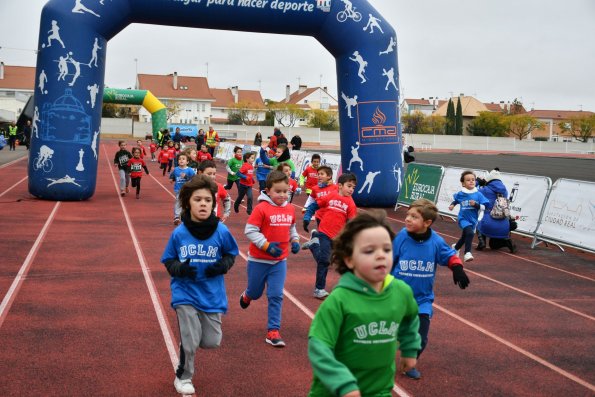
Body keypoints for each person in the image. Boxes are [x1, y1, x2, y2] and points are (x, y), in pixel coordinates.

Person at [308, 210, 421, 397]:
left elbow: (410, 318)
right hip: (334, 392)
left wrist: (410, 348)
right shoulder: (339, 300)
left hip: (379, 390)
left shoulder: (401, 292)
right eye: (370, 251)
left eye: (386, 249)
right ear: (349, 259)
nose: (380, 255)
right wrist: (343, 383)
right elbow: (318, 345)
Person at [161, 175, 239, 395]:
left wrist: (222, 265)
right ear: (188, 203)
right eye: (198, 199)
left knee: (211, 342)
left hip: (212, 294)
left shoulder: (221, 231)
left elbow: (232, 254)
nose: (203, 203)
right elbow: (168, 260)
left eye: (208, 199)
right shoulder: (179, 233)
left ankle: (188, 343)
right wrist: (180, 269)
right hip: (185, 292)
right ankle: (183, 377)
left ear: (214, 204)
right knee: (191, 339)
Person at [391, 198, 470, 380]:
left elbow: (449, 255)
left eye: (414, 217)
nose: (408, 219)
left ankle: (409, 363)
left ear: (427, 223)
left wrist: (457, 268)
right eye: (408, 215)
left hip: (422, 300)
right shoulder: (402, 237)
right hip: (396, 297)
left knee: (421, 337)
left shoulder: (435, 241)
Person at [239, 170, 301, 347]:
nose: (282, 195)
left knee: (276, 295)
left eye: (285, 191)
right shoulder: (261, 208)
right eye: (278, 191)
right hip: (258, 260)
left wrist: (295, 240)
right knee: (256, 292)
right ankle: (247, 296)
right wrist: (266, 246)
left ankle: (273, 330)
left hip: (279, 262)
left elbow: (292, 228)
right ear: (268, 191)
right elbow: (250, 231)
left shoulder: (290, 209)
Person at [303, 173, 358, 299]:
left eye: (353, 188)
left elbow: (351, 224)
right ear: (339, 185)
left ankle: (313, 245)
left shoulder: (351, 204)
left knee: (330, 261)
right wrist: (307, 217)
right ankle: (319, 289)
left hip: (337, 237)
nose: (351, 189)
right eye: (349, 186)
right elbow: (314, 206)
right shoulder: (331, 196)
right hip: (324, 232)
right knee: (324, 261)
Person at [449, 170, 489, 262]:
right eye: (468, 180)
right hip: (463, 218)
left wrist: (476, 205)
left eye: (473, 180)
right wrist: (452, 204)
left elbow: (486, 206)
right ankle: (467, 253)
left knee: (465, 237)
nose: (471, 181)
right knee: (470, 233)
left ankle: (455, 248)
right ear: (463, 183)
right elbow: (457, 200)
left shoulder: (478, 194)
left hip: (473, 219)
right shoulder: (461, 193)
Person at [476, 168, 517, 253]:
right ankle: (507, 242)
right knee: (493, 245)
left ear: (488, 180)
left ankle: (481, 242)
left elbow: (472, 192)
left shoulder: (485, 190)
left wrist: (478, 183)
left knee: (478, 221)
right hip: (504, 225)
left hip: (488, 222)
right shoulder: (505, 191)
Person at [170, 153, 197, 225]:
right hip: (178, 189)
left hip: (188, 190)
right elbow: (172, 175)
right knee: (178, 202)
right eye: (179, 159)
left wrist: (186, 177)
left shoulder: (190, 170)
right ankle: (176, 217)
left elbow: (194, 178)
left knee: (187, 203)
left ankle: (187, 216)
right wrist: (171, 179)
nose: (181, 160)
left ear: (187, 162)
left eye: (183, 159)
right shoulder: (176, 169)